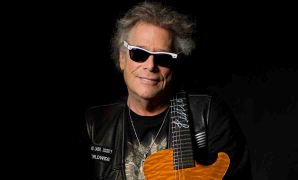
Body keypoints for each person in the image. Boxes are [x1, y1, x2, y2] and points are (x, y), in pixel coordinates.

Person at [85, 1, 252, 179]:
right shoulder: (95, 124)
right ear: (122, 58)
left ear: (175, 65)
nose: (150, 66)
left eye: (163, 58)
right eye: (139, 54)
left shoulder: (206, 114)